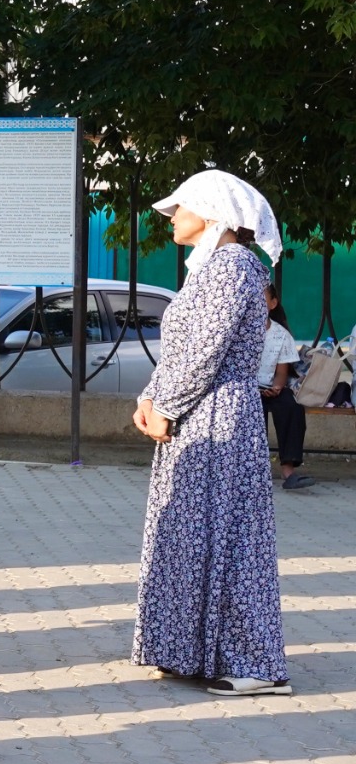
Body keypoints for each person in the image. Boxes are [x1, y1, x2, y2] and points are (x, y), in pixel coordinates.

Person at [132, 171, 292, 696]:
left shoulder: (234, 267)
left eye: (181, 208)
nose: (172, 218)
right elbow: (181, 350)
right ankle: (189, 651)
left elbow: (206, 351)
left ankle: (256, 665)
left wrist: (166, 406)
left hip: (219, 416)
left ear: (212, 213)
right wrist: (150, 399)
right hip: (197, 415)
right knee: (190, 534)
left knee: (231, 538)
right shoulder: (211, 268)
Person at [261, 280, 312, 490]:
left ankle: (288, 470)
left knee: (292, 408)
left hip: (271, 386)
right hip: (245, 389)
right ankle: (256, 470)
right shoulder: (240, 332)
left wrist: (277, 387)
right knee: (251, 410)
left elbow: (282, 372)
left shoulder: (281, 335)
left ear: (273, 304)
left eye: (261, 299)